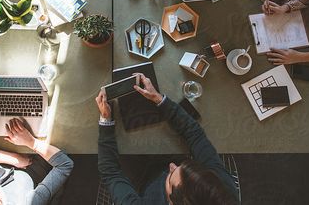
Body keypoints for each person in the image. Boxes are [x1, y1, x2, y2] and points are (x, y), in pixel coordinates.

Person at [96, 73, 238, 204]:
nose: (171, 165)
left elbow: (110, 172)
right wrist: (159, 99)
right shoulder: (218, 187)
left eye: (171, 177)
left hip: (143, 181)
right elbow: (195, 134)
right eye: (182, 167)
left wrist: (106, 120)